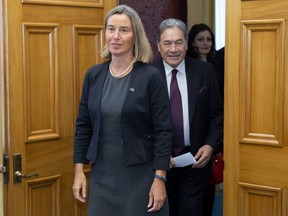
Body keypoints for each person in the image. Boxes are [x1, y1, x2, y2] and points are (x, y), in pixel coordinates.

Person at [72, 5, 173, 216]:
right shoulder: (94, 75)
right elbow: (83, 126)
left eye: (124, 30)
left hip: (141, 177)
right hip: (101, 176)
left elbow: (164, 131)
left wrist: (160, 179)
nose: (115, 36)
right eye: (111, 29)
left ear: (136, 35)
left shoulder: (150, 76)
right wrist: (79, 170)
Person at [152, 18, 223, 216]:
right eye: (167, 43)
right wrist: (158, 154)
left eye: (178, 42)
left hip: (195, 163)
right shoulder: (147, 74)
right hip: (159, 166)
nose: (173, 49)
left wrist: (210, 145)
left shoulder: (205, 71)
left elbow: (217, 114)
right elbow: (140, 123)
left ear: (186, 43)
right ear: (158, 46)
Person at [187, 23, 225, 216]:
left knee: (210, 183)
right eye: (200, 39)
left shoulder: (218, 64)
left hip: (215, 129)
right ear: (192, 42)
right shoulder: (189, 67)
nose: (205, 43)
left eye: (208, 39)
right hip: (195, 132)